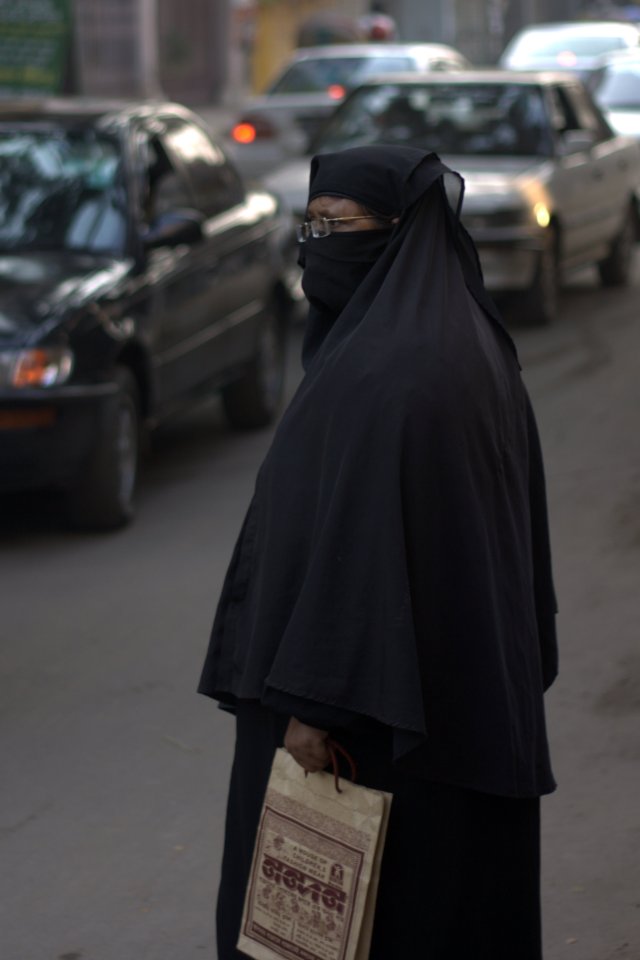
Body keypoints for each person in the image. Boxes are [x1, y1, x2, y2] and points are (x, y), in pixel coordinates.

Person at [198, 145, 558, 960]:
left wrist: (316, 707)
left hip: (378, 728)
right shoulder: (455, 341)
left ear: (401, 233)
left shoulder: (402, 372)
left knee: (381, 920)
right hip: (450, 699)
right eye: (311, 224)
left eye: (340, 226)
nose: (317, 246)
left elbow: (367, 551)